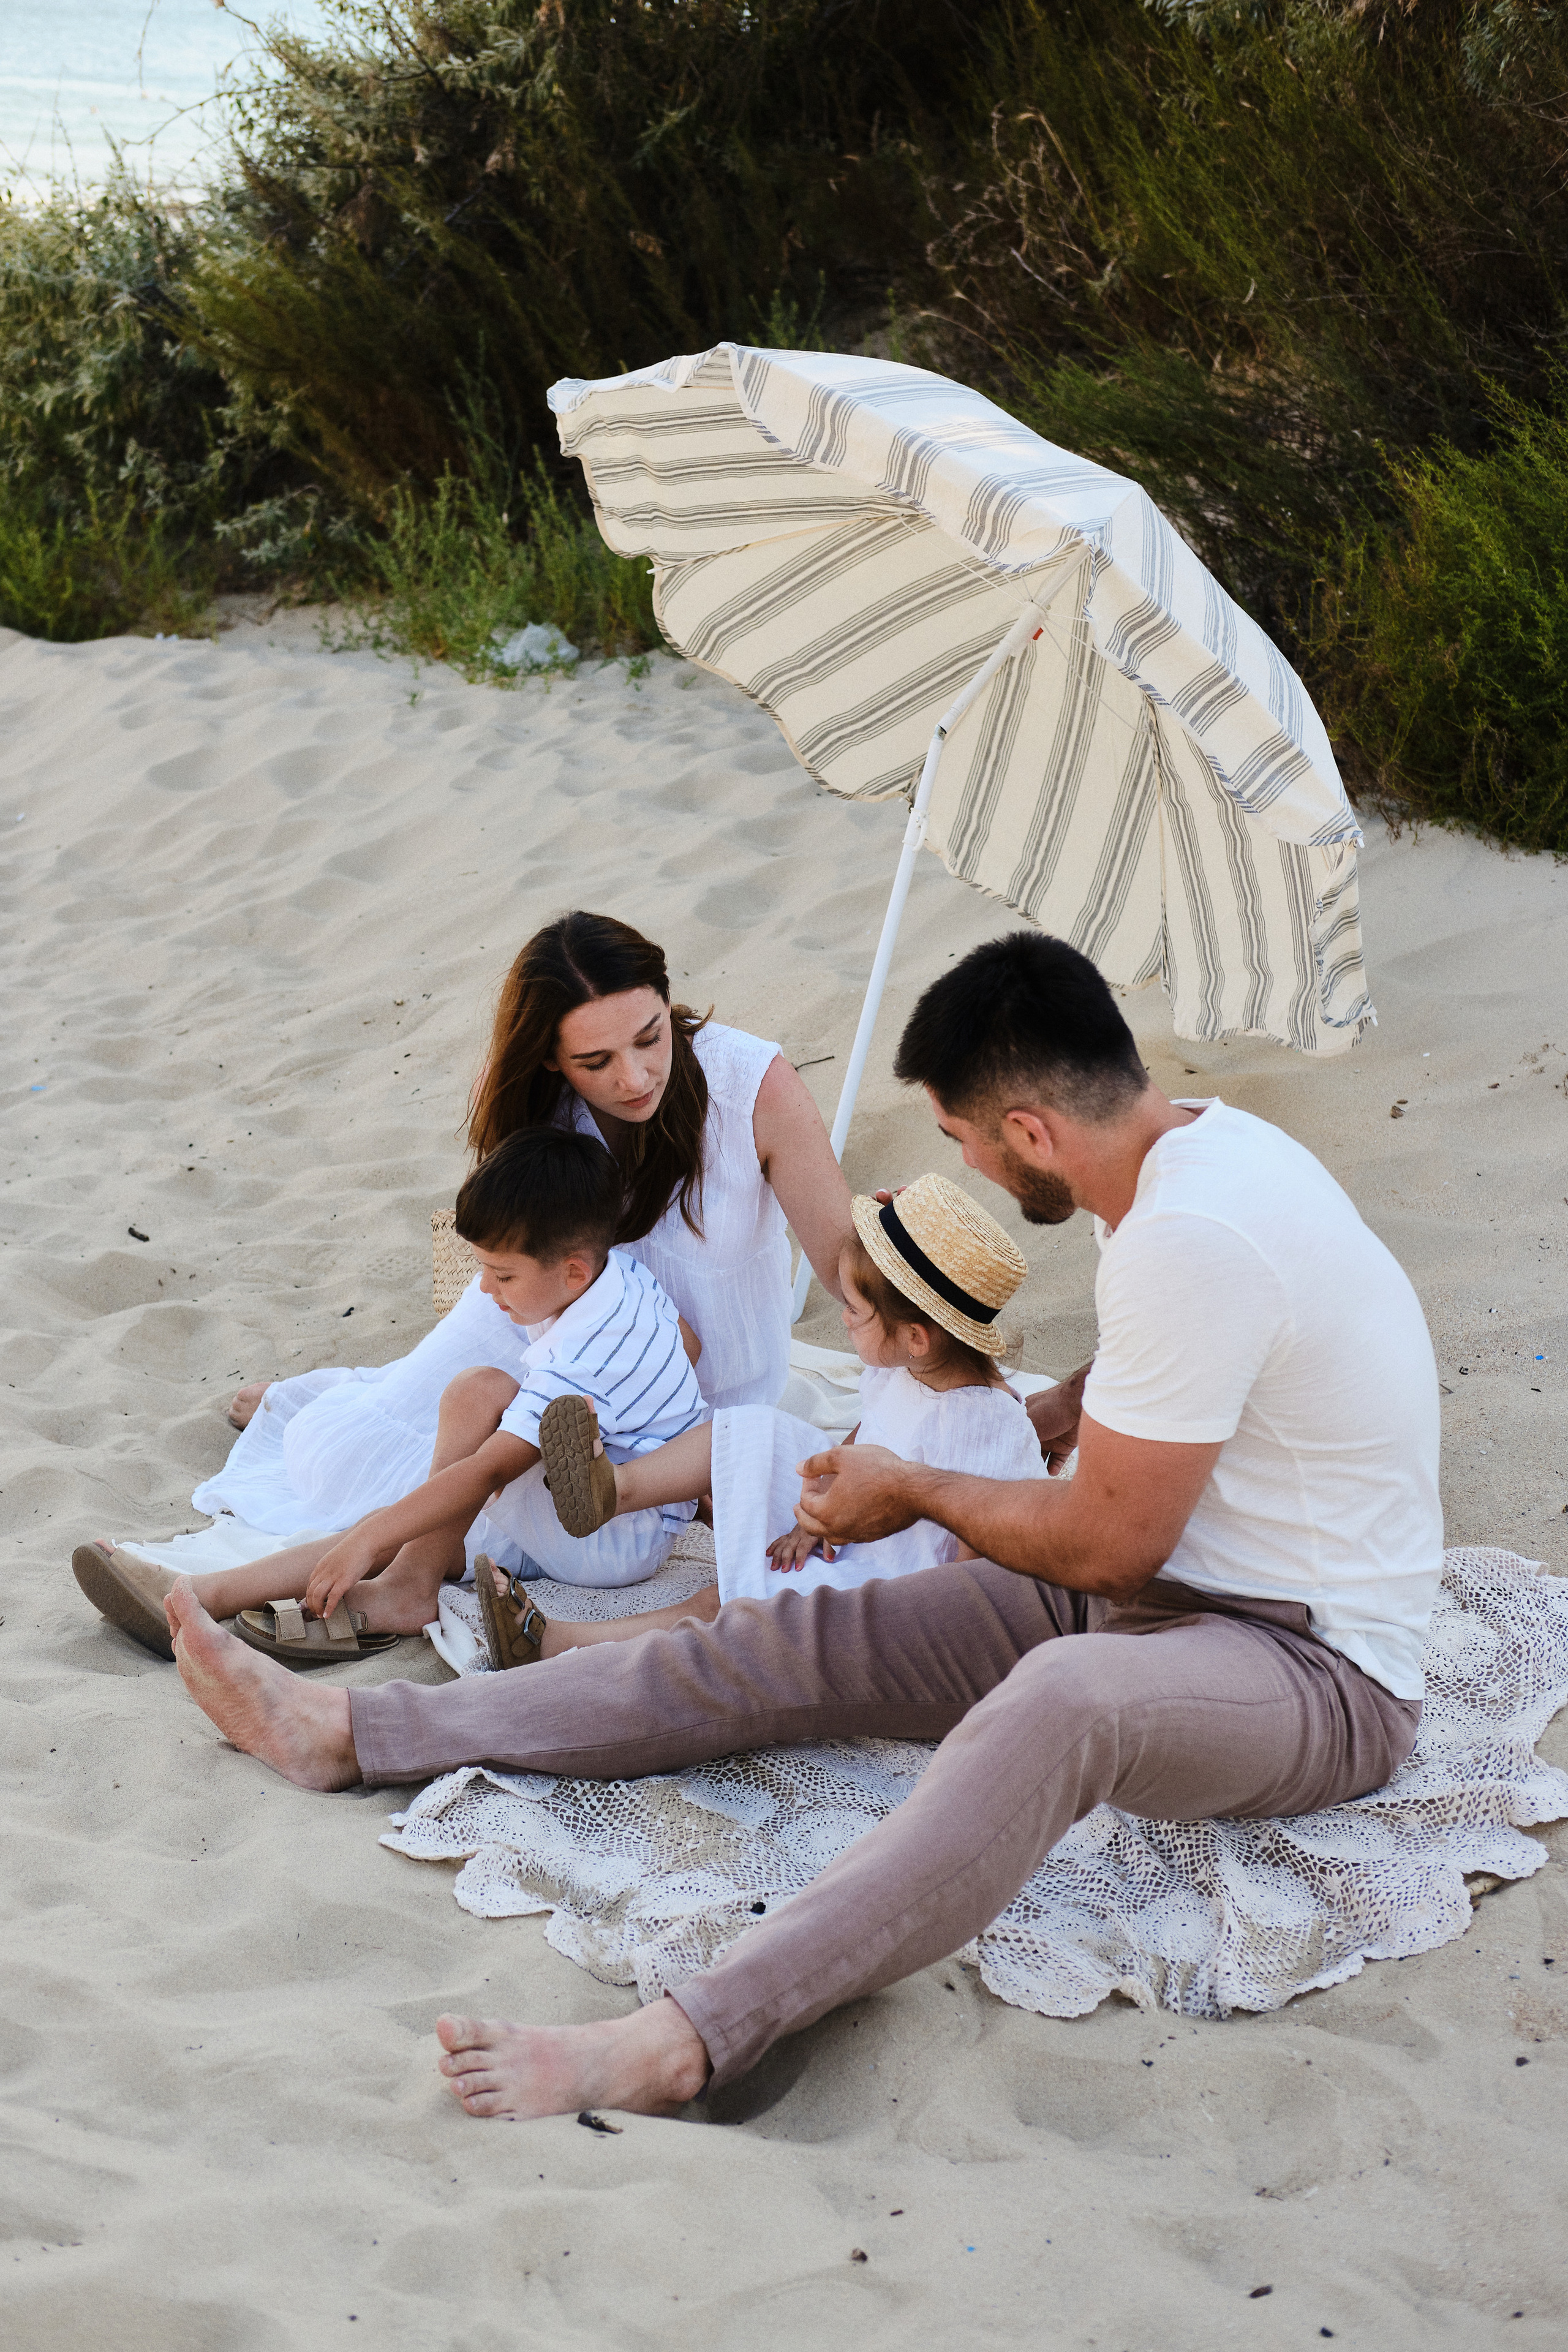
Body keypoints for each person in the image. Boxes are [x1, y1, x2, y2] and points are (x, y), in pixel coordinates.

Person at [161, 930, 1442, 2126]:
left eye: (969, 1145)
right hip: (1173, 1594)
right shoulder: (1198, 1154)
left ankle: (685, 2038)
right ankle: (354, 1733)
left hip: (1305, 1664)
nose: (973, 1173)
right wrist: (1056, 1406)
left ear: (1032, 1128)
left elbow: (1110, 1551)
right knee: (799, 1635)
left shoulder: (1185, 1235)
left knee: (1065, 1700)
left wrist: (919, 1489)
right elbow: (1185, 1375)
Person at [74, 911, 854, 1650]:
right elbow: (487, 1249)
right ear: (551, 1057)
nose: (636, 1076)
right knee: (369, 1440)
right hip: (548, 1326)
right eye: (596, 1062)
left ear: (668, 1003)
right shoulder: (524, 1096)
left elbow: (846, 1278)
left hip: (660, 1395)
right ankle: (352, 1439)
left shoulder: (755, 1085)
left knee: (444, 1479)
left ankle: (283, 1576)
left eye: (652, 1038)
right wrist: (465, 1332)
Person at [76, 1128, 712, 1662]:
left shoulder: (577, 1360)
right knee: (473, 1410)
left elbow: (486, 1469)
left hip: (611, 1538)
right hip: (640, 1512)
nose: (486, 1291)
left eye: (503, 1274)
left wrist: (371, 1540)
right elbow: (687, 1342)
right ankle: (224, 1592)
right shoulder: (622, 1280)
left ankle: (385, 1583)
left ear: (572, 1270)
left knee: (449, 1443)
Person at [478, 1171, 1048, 1668]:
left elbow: (980, 1570)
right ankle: (614, 1490)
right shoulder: (903, 1368)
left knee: (727, 1604)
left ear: (916, 1338)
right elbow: (864, 1440)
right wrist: (816, 1517)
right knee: (749, 1429)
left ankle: (552, 1641)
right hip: (843, 1530)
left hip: (899, 1587)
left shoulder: (992, 1427)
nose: (843, 1320)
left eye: (854, 1309)